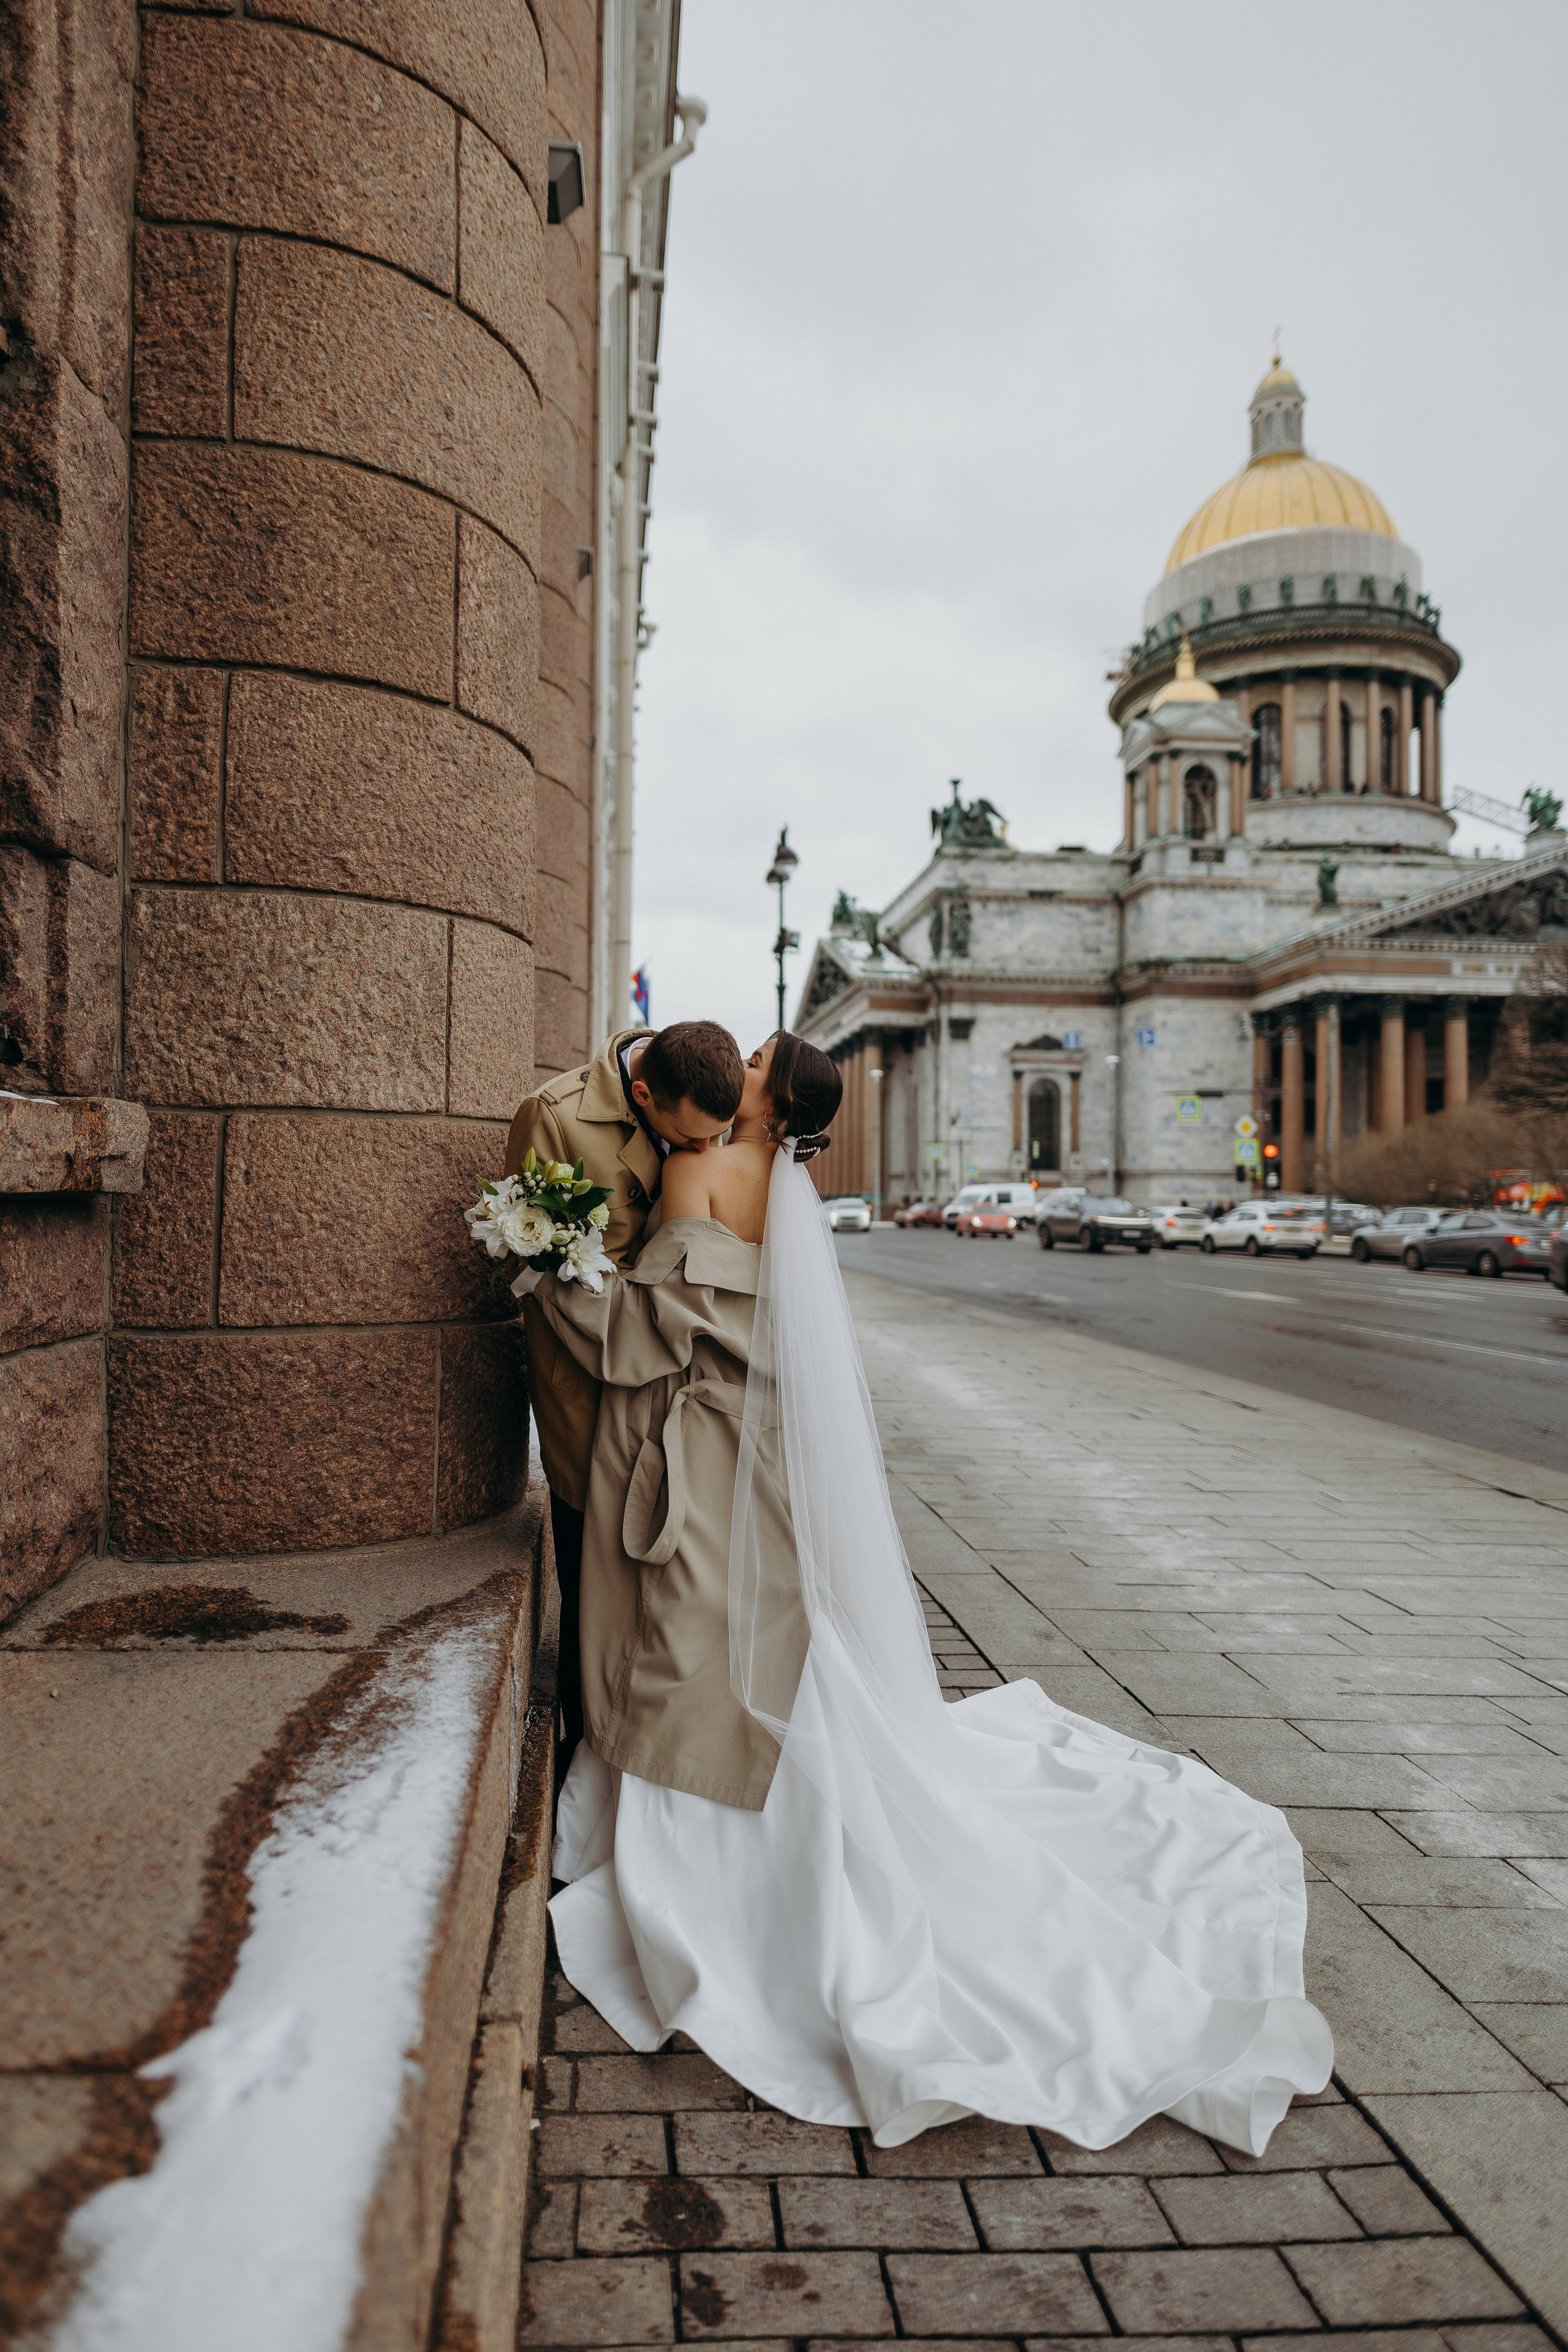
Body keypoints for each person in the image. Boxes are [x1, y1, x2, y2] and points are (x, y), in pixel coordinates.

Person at [521, 1031, 1333, 2157]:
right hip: (746, 1442)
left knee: (694, 1622)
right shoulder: (784, 1185)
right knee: (758, 1626)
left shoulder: (703, 1169)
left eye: (756, 1060)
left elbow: (646, 1328)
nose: (745, 1062)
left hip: (692, 1436)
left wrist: (549, 1262)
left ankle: (695, 1823)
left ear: (764, 1097)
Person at [503, 1020, 744, 1765]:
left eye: (717, 1136)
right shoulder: (555, 1116)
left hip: (672, 1377)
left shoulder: (692, 1084)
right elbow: (545, 1267)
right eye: (691, 1138)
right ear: (642, 1094)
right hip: (589, 1371)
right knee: (590, 1566)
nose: (705, 1152)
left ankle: (650, 1738)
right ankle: (589, 1755)